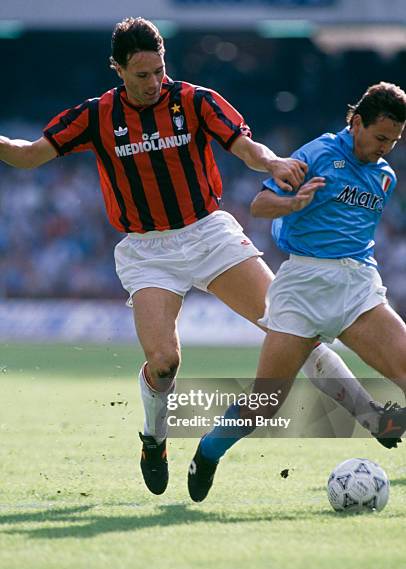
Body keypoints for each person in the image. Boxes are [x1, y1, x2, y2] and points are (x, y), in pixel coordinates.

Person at [0, 17, 384, 498]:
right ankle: (154, 439)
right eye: (141, 75)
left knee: (295, 330)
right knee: (163, 361)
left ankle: (369, 415)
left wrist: (273, 163)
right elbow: (27, 154)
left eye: (159, 71)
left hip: (209, 235)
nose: (153, 83)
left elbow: (245, 146)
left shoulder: (194, 100)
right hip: (147, 250)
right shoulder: (95, 115)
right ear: (117, 68)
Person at [188, 81, 406, 502]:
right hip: (302, 285)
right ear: (356, 122)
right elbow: (259, 205)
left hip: (357, 287)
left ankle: (374, 420)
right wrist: (293, 203)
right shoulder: (318, 153)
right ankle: (208, 451)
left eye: (394, 141)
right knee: (264, 404)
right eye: (381, 138)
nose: (386, 149)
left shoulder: (385, 177)